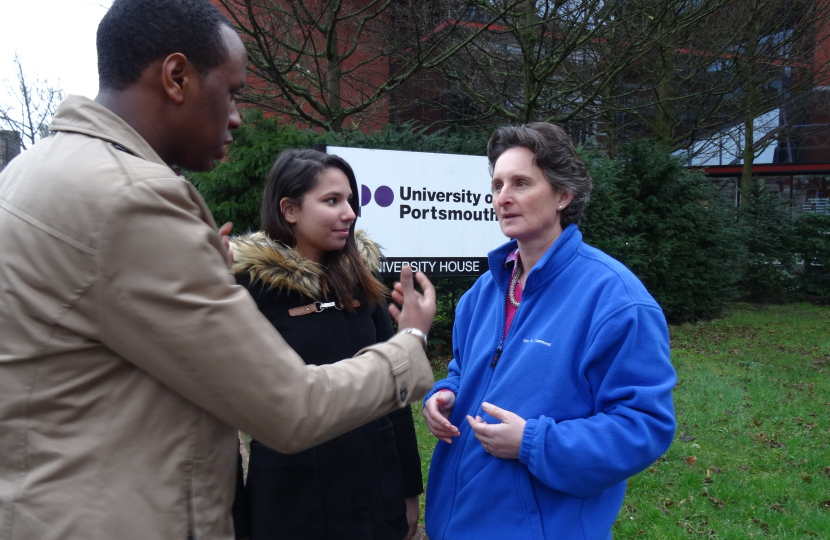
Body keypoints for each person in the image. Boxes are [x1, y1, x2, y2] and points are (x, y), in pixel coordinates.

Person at [0, 1, 435, 539]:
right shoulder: (132, 200)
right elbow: (290, 407)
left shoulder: (33, 170)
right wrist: (411, 339)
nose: (236, 116)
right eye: (232, 92)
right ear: (176, 76)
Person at [421, 123, 677, 540]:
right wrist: (445, 394)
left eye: (521, 183)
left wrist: (534, 443)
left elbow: (643, 425)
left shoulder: (615, 299)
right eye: (498, 184)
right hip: (457, 521)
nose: (503, 197)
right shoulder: (481, 294)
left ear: (563, 195)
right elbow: (465, 371)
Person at [230, 149, 423, 540]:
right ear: (289, 209)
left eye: (351, 200)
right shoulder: (247, 291)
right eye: (332, 200)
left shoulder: (361, 280)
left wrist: (407, 490)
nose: (350, 212)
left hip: (377, 492)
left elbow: (395, 395)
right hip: (293, 504)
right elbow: (222, 420)